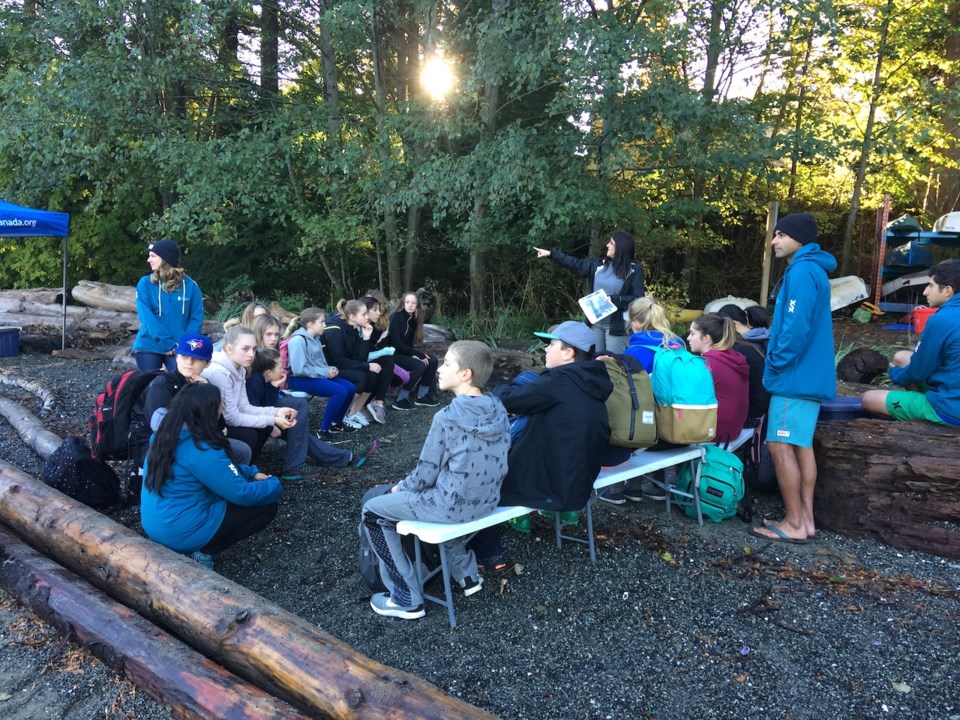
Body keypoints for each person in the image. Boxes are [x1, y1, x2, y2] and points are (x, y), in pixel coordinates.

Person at [361, 341, 510, 619]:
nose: (440, 369)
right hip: (487, 501)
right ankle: (467, 577)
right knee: (443, 498)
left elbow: (423, 476)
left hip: (452, 506)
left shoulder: (447, 417)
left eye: (448, 364)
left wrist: (397, 488)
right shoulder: (497, 409)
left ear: (465, 374)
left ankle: (406, 598)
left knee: (373, 510)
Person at [471, 321, 613, 571]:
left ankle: (487, 553)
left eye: (551, 345)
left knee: (478, 480)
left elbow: (506, 402)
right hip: (579, 480)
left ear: (568, 353)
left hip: (553, 485)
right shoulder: (591, 379)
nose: (545, 350)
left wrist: (499, 386)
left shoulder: (559, 381)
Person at [752, 212, 836, 545]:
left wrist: (773, 365)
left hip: (794, 378)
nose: (775, 241)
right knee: (801, 446)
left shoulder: (801, 271)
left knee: (779, 444)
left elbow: (794, 329)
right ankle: (806, 521)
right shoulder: (815, 269)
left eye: (781, 235)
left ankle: (794, 523)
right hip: (809, 377)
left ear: (799, 238)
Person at [141, 383, 283, 570]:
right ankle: (203, 552)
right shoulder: (200, 448)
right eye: (220, 406)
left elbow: (217, 471)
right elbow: (242, 493)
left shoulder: (165, 436)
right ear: (209, 412)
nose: (221, 411)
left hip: (156, 524)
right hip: (179, 531)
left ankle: (192, 543)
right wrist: (274, 484)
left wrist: (251, 472)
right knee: (267, 506)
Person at [129, 333, 252, 494]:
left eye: (197, 358)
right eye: (184, 355)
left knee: (241, 449)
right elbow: (160, 428)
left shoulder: (202, 384)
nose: (189, 362)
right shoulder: (163, 384)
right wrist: (206, 431)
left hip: (190, 441)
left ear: (207, 363)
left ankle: (223, 489)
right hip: (157, 445)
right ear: (177, 356)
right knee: (229, 450)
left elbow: (220, 425)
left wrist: (207, 389)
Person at [597, 296, 685, 505]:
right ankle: (656, 485)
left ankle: (620, 489)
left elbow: (624, 394)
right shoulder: (678, 344)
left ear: (635, 322)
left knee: (622, 412)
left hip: (650, 430)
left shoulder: (636, 350)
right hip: (680, 424)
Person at [862, 261, 960, 426]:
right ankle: (920, 404)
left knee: (868, 399)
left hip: (951, 410)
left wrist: (894, 374)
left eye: (930, 285)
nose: (925, 291)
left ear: (947, 290)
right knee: (902, 357)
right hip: (952, 387)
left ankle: (925, 420)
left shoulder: (942, 320)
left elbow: (917, 372)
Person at [247, 348, 372, 471]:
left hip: (265, 416)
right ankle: (294, 466)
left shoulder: (264, 377)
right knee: (299, 412)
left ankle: (347, 457)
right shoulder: (256, 381)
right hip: (254, 424)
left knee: (299, 433)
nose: (283, 369)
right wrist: (270, 425)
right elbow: (256, 409)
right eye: (280, 367)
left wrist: (274, 387)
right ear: (269, 372)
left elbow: (267, 402)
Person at [202, 325, 303, 475]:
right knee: (250, 434)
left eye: (254, 349)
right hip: (212, 426)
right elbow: (231, 417)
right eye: (245, 349)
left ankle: (249, 470)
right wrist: (272, 420)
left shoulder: (240, 369)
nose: (251, 354)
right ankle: (236, 475)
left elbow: (244, 406)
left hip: (226, 421)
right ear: (229, 349)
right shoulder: (219, 373)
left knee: (261, 428)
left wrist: (277, 412)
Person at [534, 232, 645, 354]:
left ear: (621, 247)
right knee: (594, 361)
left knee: (613, 363)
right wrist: (551, 254)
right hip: (595, 324)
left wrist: (616, 299)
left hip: (616, 327)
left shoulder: (634, 270)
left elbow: (638, 300)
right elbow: (576, 264)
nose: (607, 245)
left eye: (611, 243)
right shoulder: (599, 265)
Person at [284, 308, 358, 437]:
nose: (325, 325)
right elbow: (298, 369)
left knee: (350, 388)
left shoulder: (316, 338)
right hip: (299, 379)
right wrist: (324, 372)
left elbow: (319, 363)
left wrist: (331, 369)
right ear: (311, 324)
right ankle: (323, 430)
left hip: (315, 375)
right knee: (340, 391)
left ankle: (337, 423)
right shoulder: (298, 341)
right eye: (322, 322)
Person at [133, 239, 204, 372]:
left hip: (180, 347)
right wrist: (167, 344)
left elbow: (196, 319)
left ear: (166, 258)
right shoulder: (145, 284)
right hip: (150, 345)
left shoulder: (191, 286)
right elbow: (147, 318)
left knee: (182, 386)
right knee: (151, 386)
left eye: (153, 256)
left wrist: (185, 346)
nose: (149, 260)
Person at [325, 299, 393, 426]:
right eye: (364, 314)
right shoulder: (336, 330)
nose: (367, 317)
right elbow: (338, 361)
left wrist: (366, 337)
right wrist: (367, 366)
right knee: (361, 377)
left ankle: (352, 414)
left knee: (372, 376)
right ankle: (339, 416)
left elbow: (360, 358)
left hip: (343, 365)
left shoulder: (354, 329)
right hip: (330, 369)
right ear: (352, 317)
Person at [687, 313, 749, 443]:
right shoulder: (732, 357)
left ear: (706, 338)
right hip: (733, 429)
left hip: (716, 431)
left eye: (692, 334)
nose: (688, 338)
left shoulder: (707, 362)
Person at [716, 304, 770, 428]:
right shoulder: (765, 338)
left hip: (750, 412)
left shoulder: (740, 348)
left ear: (733, 324)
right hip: (766, 407)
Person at [387, 292, 440, 409]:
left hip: (401, 354)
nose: (410, 305)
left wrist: (413, 355)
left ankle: (422, 397)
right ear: (403, 303)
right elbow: (397, 344)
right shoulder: (396, 317)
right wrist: (418, 355)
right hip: (390, 354)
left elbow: (408, 344)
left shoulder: (412, 319)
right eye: (407, 302)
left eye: (413, 303)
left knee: (433, 361)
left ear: (417, 306)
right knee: (420, 365)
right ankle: (400, 400)